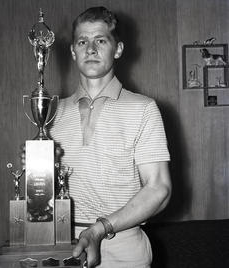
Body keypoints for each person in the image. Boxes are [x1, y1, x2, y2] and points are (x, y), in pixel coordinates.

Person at [49, 6, 171, 268]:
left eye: (100, 40)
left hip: (122, 246)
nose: (90, 49)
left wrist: (99, 229)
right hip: (60, 248)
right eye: (83, 41)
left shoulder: (143, 108)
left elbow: (159, 188)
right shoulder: (53, 113)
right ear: (73, 51)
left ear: (118, 49)